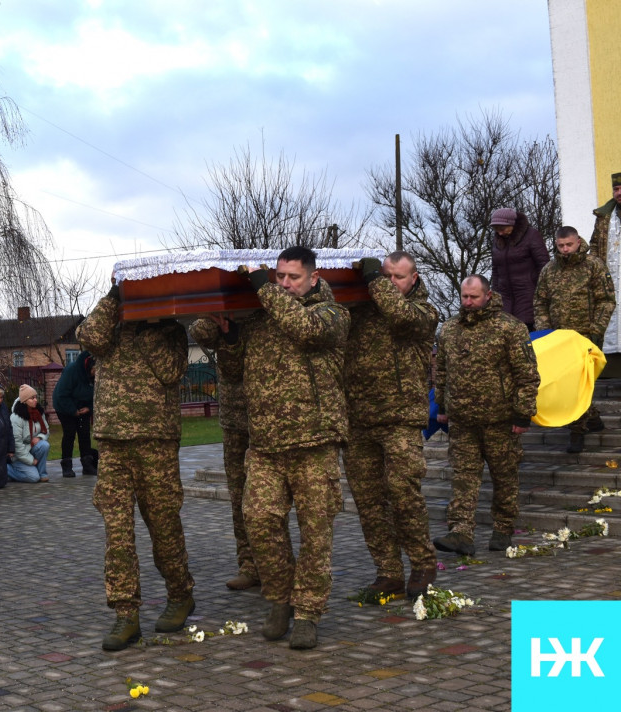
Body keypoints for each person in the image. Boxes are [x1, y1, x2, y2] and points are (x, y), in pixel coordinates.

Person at [213, 246, 349, 650]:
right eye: (279, 277)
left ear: (313, 277)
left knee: (315, 534)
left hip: (315, 441)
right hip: (267, 444)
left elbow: (303, 329)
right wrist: (231, 339)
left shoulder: (332, 315)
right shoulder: (260, 319)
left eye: (292, 277)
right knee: (259, 521)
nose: (285, 284)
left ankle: (307, 613)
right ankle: (281, 598)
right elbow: (234, 373)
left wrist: (261, 285)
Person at [78, 285, 193, 652]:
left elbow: (170, 370)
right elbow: (88, 335)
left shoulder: (170, 330)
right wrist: (115, 297)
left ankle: (180, 592)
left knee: (163, 525)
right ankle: (126, 614)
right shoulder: (110, 329)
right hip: (113, 443)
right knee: (118, 532)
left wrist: (149, 326)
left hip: (156, 441)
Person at [342, 252, 440, 601]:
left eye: (396, 277)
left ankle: (423, 563)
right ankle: (388, 571)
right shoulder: (360, 311)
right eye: (385, 276)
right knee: (368, 502)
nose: (388, 284)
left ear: (413, 278)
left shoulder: (423, 313)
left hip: (400, 419)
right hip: (359, 420)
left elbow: (398, 316)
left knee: (403, 495)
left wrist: (374, 281)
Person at [434, 275, 541, 555]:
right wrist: (442, 407)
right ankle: (461, 533)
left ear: (488, 295)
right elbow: (442, 371)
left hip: (500, 421)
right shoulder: (449, 329)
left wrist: (523, 415)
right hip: (463, 421)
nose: (468, 302)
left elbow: (527, 376)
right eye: (464, 297)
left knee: (504, 477)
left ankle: (503, 528)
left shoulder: (509, 328)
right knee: (463, 478)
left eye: (474, 297)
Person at [189, 321, 259, 591]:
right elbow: (199, 331)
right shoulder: (224, 304)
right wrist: (221, 316)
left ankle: (278, 565)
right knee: (239, 496)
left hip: (271, 416)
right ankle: (250, 565)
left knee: (270, 499)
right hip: (234, 418)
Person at [534, 226, 616, 452]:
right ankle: (593, 418)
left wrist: (596, 330)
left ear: (578, 242)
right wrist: (544, 331)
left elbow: (607, 300)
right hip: (558, 339)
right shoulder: (549, 270)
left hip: (585, 337)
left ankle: (577, 432)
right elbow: (540, 302)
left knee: (578, 384)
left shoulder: (593, 266)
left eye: (569, 245)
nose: (565, 249)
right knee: (567, 384)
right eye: (560, 246)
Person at [489, 207, 549, 330]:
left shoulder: (532, 235)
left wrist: (540, 292)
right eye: (496, 230)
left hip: (529, 297)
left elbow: (544, 265)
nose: (499, 233)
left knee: (528, 336)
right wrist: (494, 295)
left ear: (512, 224)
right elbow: (495, 270)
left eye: (502, 229)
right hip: (504, 299)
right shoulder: (497, 240)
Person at [589, 172, 621, 353]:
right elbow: (595, 244)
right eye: (616, 189)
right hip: (610, 281)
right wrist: (596, 269)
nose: (618, 192)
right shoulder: (604, 217)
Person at [52, 352, 97, 477]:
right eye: (95, 370)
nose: (96, 373)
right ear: (89, 367)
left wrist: (89, 408)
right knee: (69, 433)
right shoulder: (72, 371)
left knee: (85, 433)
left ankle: (87, 464)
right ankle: (67, 465)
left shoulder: (96, 377)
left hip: (84, 407)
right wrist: (73, 410)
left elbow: (98, 396)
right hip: (64, 406)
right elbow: (61, 394)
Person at [8, 384, 50, 483]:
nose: (35, 400)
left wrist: (39, 438)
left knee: (44, 445)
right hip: (18, 455)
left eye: (35, 397)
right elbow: (17, 445)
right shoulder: (16, 418)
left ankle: (42, 473)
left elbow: (46, 430)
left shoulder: (39, 412)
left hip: (31, 448)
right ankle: (6, 469)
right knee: (33, 478)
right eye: (32, 398)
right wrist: (31, 460)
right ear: (24, 400)